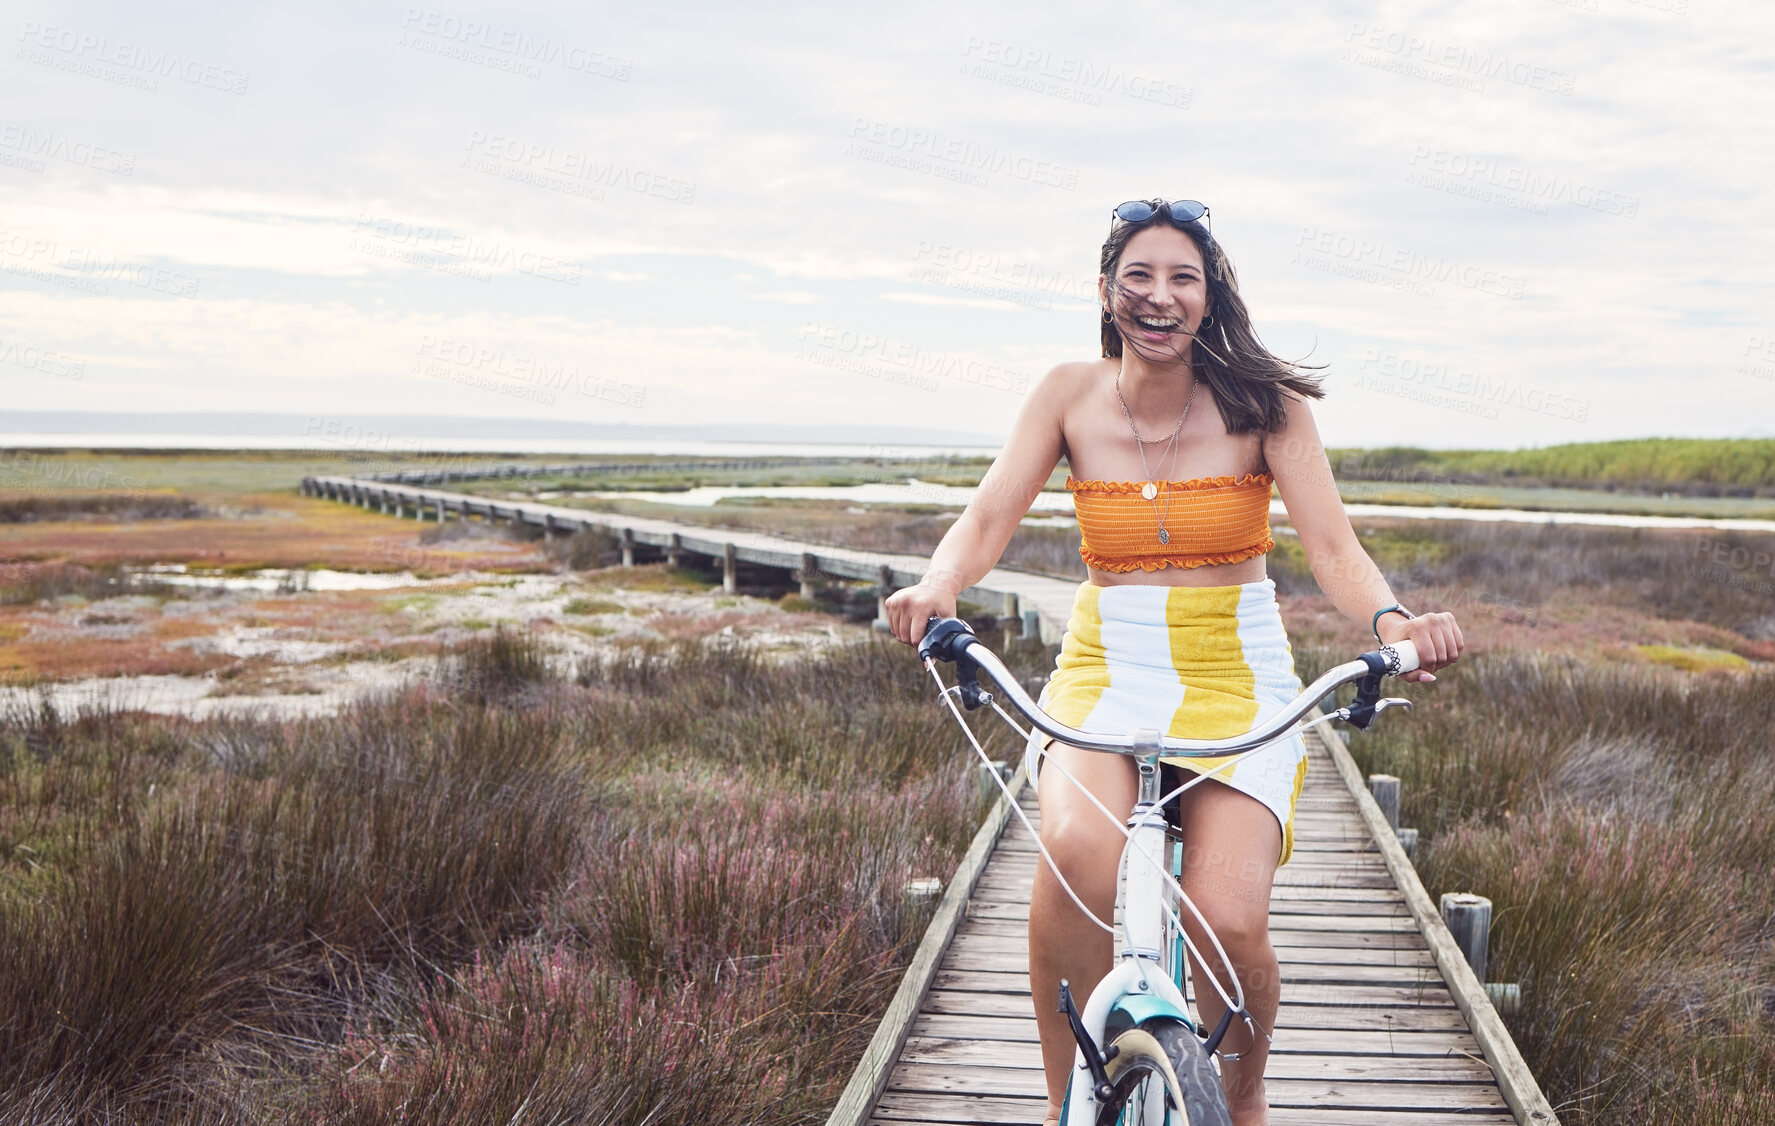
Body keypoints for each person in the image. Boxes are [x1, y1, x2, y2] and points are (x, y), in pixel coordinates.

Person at [884, 198, 1465, 1126]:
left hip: (1236, 676)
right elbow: (990, 515)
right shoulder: (1066, 394)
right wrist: (939, 583)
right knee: (1075, 855)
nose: (1160, 297)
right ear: (1108, 291)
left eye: (1182, 278)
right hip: (1103, 669)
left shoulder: (1263, 405)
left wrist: (1393, 618)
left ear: (1209, 295)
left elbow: (1332, 549)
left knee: (1227, 921)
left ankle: (1238, 1097)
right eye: (1139, 277)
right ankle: (1061, 1102)